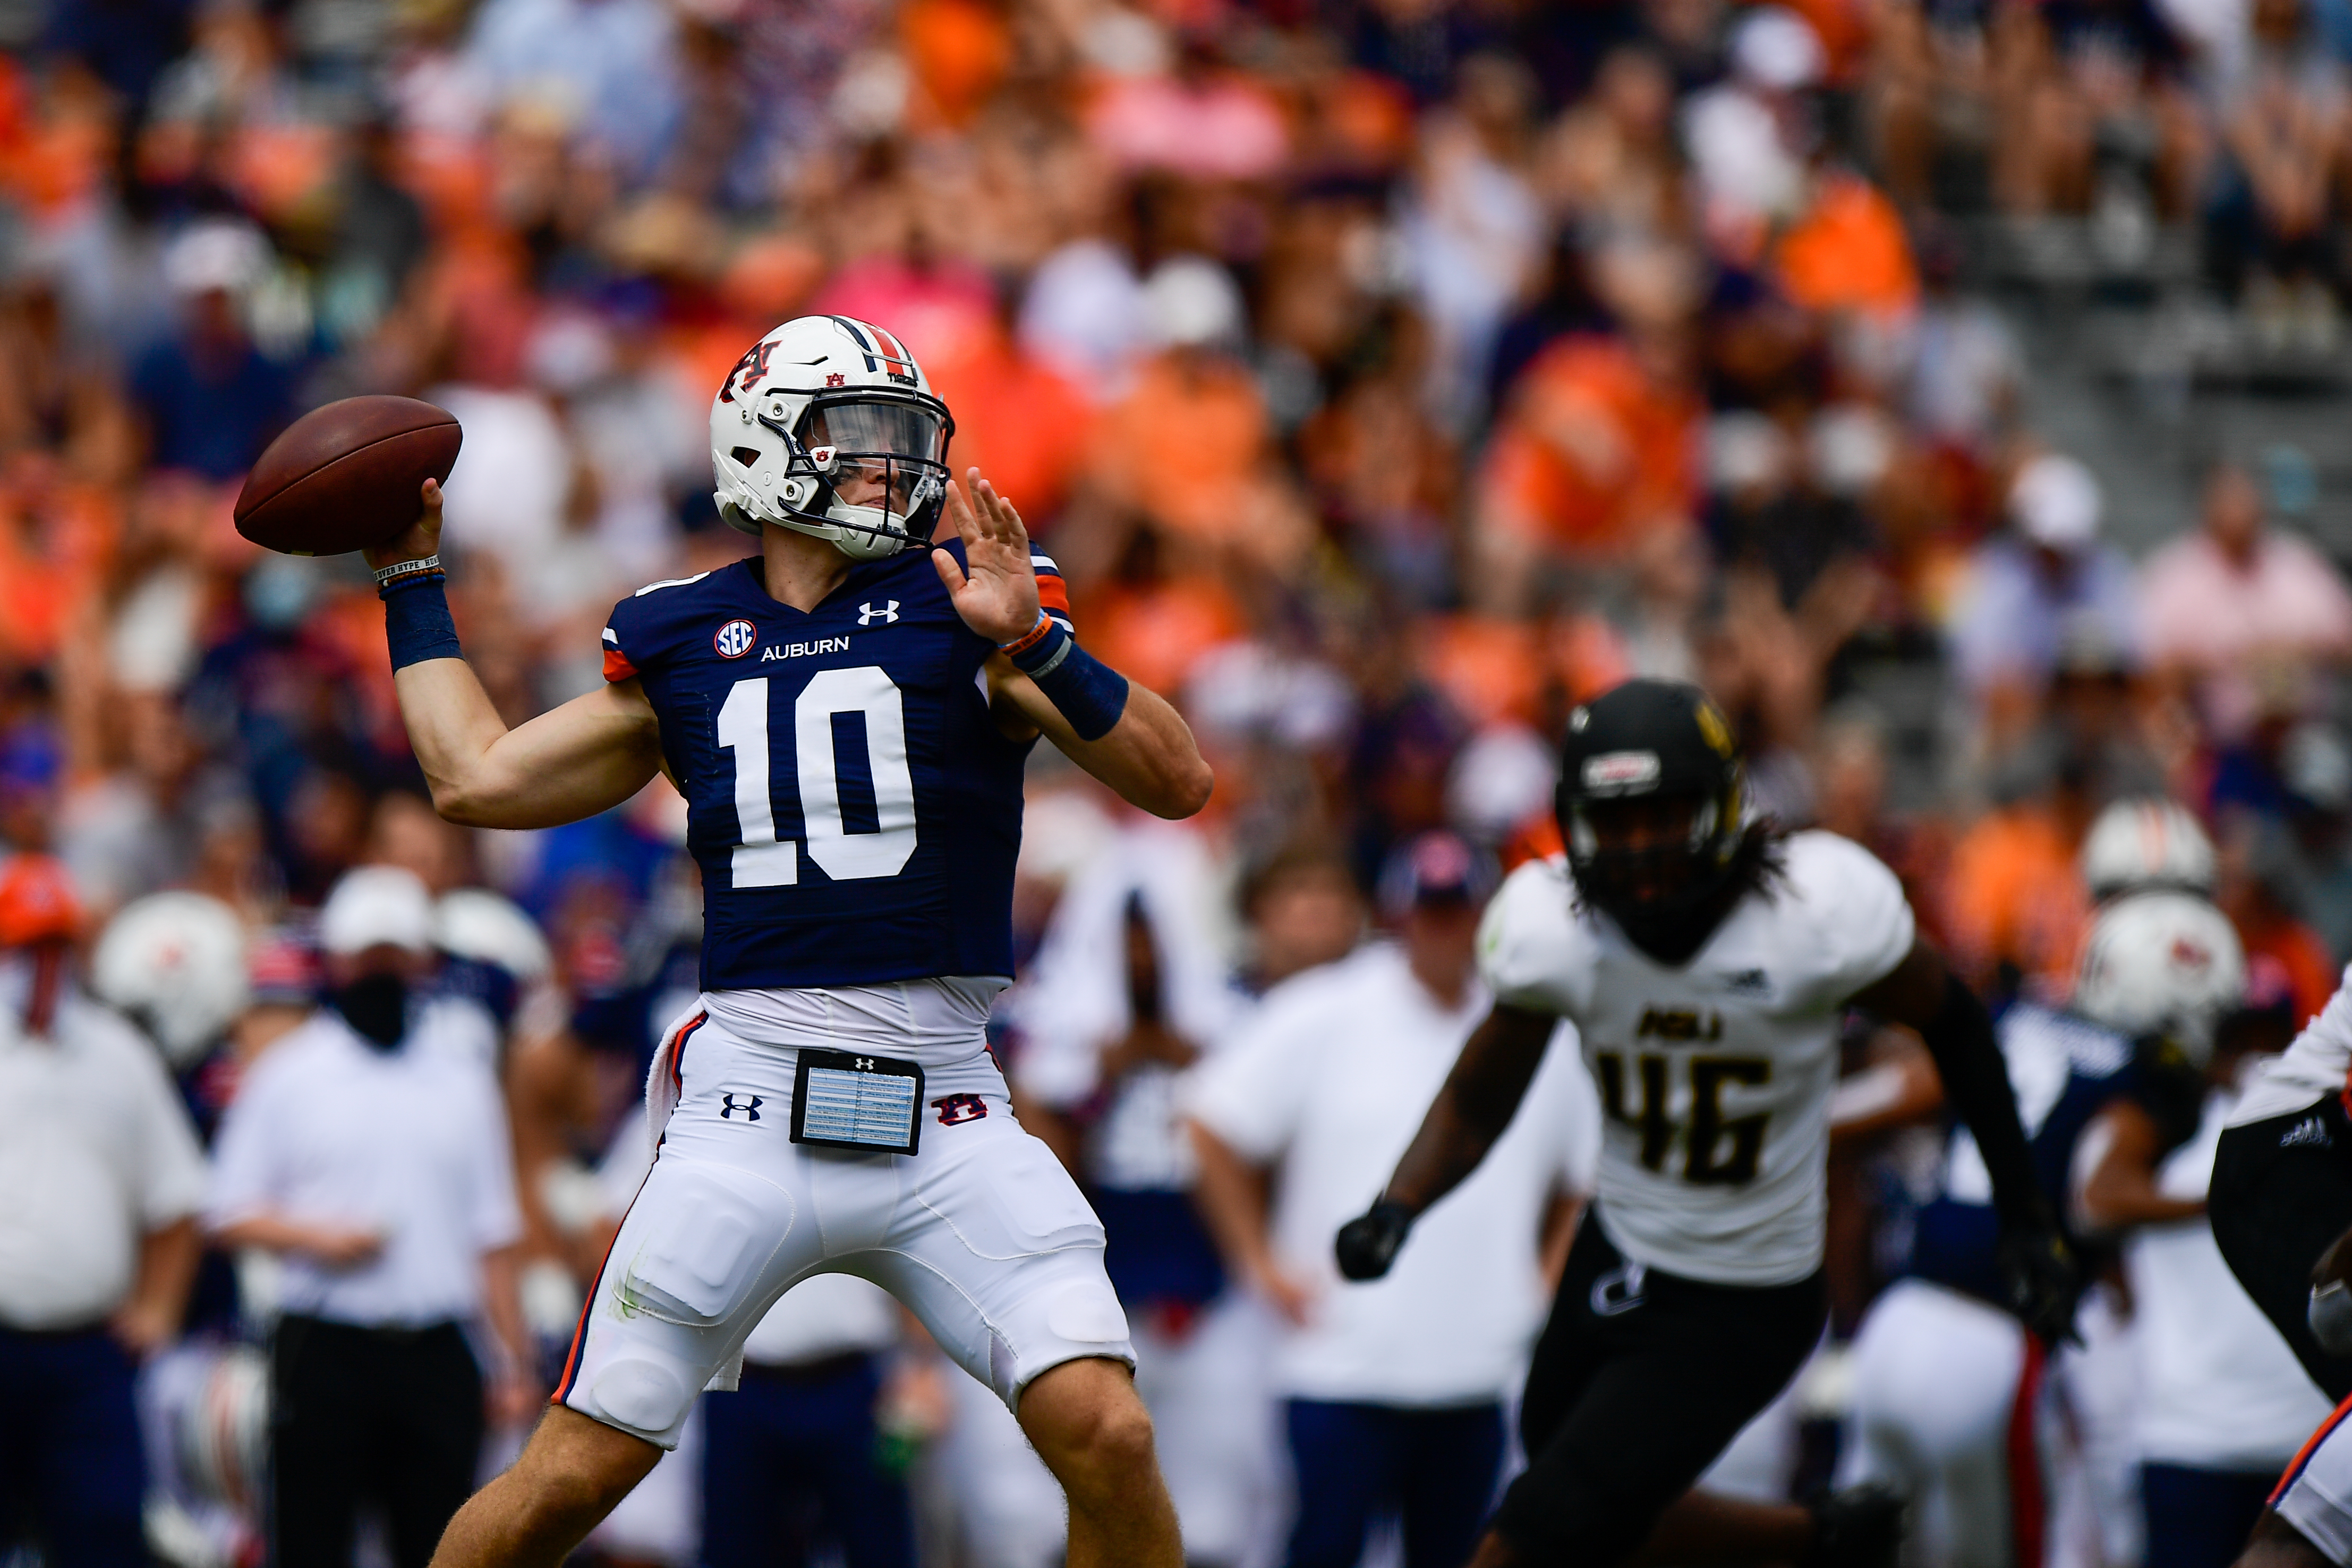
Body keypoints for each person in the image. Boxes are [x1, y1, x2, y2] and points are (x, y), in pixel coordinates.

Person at [361, 313, 1212, 1568]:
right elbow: (475, 777)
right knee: (566, 1479)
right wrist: (409, 579)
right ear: (762, 449)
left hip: (947, 1112)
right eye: (857, 438)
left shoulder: (963, 603)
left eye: (903, 440)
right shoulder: (682, 634)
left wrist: (1031, 636)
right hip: (748, 1109)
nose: (894, 468)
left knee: (1109, 1431)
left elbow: (1179, 778)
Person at [1332, 678, 2075, 1568]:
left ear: (1723, 810)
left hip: (1746, 1287)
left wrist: (2024, 1215)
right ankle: (1822, 1540)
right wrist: (1399, 1203)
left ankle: (1817, 1539)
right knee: (1578, 1486)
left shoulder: (1813, 915)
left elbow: (1955, 1024)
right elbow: (1479, 1094)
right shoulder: (1551, 928)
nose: (1638, 849)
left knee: (1532, 1528)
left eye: (1662, 816)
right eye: (1614, 822)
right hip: (1618, 1246)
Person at [1184, 831, 1600, 1568]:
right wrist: (1258, 1263)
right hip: (1341, 1359)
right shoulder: (1326, 1010)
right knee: (1322, 1549)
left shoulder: (1538, 1026)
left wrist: (1545, 1284)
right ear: (1399, 917)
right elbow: (1212, 1123)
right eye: (1430, 911)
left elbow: (1582, 1176)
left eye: (1459, 911)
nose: (1445, 930)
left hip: (1478, 1365)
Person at [1839, 890, 2245, 1568]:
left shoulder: (2021, 1019)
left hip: (1896, 1323)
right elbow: (2098, 1197)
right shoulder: (2139, 1078)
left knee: (1857, 1546)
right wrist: (2222, 1200)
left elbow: (1911, 1094)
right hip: (1990, 1347)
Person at [204, 866, 535, 1568]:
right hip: (327, 1345)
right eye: (370, 956)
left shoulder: (463, 1075)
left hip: (438, 1349)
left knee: (441, 1546)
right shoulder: (290, 1074)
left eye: (396, 955)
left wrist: (512, 1362)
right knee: (312, 1542)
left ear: (421, 962)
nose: (383, 970)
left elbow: (493, 1234)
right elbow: (228, 1209)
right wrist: (315, 1236)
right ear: (339, 960)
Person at [2073, 904, 2330, 1568]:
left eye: (2269, 1032)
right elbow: (2095, 1200)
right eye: (2240, 1034)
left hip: (2305, 1443)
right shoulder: (2167, 1118)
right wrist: (2228, 1202)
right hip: (2193, 1436)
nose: (2253, 1053)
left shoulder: (2324, 1123)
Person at [0, 854, 209, 1568]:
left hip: (88, 1353)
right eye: (28, 949)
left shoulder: (118, 1054)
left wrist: (157, 1310)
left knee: (105, 1534)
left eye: (57, 946)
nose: (44, 967)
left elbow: (178, 1197)